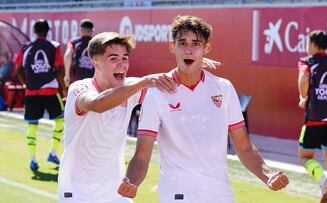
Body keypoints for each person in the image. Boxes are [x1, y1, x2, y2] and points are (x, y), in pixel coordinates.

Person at [118, 15, 289, 202]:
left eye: (196, 44)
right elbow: (142, 155)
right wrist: (132, 182)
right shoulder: (156, 94)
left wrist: (267, 176)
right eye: (182, 43)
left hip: (220, 194)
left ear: (207, 48)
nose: (188, 50)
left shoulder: (223, 88)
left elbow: (244, 147)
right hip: (177, 194)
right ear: (172, 47)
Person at [58, 31, 218, 203]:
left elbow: (168, 85)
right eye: (113, 59)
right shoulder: (79, 89)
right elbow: (98, 104)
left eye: (125, 58)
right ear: (96, 63)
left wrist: (190, 68)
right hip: (78, 193)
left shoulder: (130, 88)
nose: (122, 64)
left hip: (116, 193)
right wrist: (144, 82)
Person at [297, 30, 327, 203]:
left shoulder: (309, 62)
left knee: (305, 156)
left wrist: (303, 97)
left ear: (314, 44)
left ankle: (323, 181)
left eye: (307, 43)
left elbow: (304, 78)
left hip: (315, 117)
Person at [16, 19, 66, 171]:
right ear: (48, 31)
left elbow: (19, 69)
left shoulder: (25, 47)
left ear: (35, 31)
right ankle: (52, 152)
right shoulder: (54, 46)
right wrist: (63, 88)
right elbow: (58, 69)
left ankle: (32, 160)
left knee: (32, 124)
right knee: (60, 120)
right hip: (50, 90)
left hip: (31, 91)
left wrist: (27, 84)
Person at [63, 19, 94, 87]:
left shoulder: (73, 42)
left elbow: (68, 55)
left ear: (80, 30)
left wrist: (67, 75)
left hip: (77, 79)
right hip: (92, 80)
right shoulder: (96, 43)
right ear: (92, 31)